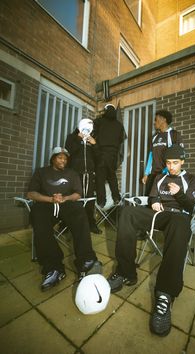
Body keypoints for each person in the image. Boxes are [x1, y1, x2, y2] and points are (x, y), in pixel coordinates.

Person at [107, 145, 195, 336]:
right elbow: (152, 196)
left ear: (182, 162)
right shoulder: (160, 177)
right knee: (127, 212)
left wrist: (179, 193)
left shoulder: (189, 178)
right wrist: (154, 201)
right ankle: (126, 272)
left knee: (181, 222)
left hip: (178, 217)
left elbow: (191, 205)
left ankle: (165, 293)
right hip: (159, 215)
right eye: (168, 163)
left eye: (175, 163)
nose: (171, 167)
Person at [27, 147, 102, 291]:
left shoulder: (72, 173)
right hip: (46, 204)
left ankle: (86, 261)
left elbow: (78, 194)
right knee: (38, 217)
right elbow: (31, 194)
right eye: (60, 157)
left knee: (80, 213)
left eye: (65, 158)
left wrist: (66, 198)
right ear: (53, 158)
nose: (63, 160)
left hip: (66, 204)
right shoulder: (41, 172)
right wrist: (50, 199)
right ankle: (54, 267)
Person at [65, 118, 102, 234]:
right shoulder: (72, 137)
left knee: (90, 200)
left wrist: (94, 144)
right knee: (74, 199)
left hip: (89, 174)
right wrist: (78, 138)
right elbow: (69, 150)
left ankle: (91, 224)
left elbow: (98, 157)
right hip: (75, 174)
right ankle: (68, 224)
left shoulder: (92, 139)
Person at [142, 110, 183, 195]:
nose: (154, 122)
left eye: (156, 119)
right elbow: (151, 156)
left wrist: (168, 171)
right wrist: (146, 174)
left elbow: (179, 156)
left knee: (162, 202)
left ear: (163, 119)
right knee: (149, 199)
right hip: (153, 175)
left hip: (166, 175)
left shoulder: (174, 135)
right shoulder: (155, 137)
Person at [94, 104, 126, 208]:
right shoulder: (119, 125)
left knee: (100, 178)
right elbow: (122, 139)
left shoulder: (99, 121)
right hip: (113, 155)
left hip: (101, 153)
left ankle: (101, 201)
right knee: (112, 177)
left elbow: (92, 130)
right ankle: (116, 198)